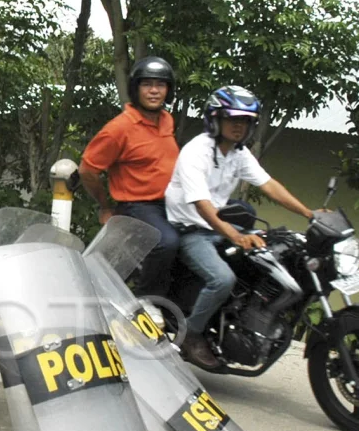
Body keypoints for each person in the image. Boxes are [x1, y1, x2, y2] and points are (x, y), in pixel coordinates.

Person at [165, 85, 315, 368]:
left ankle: (244, 323)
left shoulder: (239, 153)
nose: (238, 125)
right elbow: (202, 205)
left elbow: (269, 185)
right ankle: (191, 334)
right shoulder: (196, 151)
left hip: (220, 226)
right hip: (192, 230)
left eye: (245, 120)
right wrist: (235, 235)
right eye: (233, 118)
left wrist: (309, 213)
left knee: (275, 256)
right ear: (215, 119)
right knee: (222, 279)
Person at [79, 56, 181, 301]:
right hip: (138, 206)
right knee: (165, 242)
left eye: (160, 85)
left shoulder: (166, 120)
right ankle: (147, 302)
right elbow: (87, 169)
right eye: (147, 84)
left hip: (171, 203)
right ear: (136, 89)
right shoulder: (119, 129)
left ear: (169, 90)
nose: (154, 91)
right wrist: (105, 206)